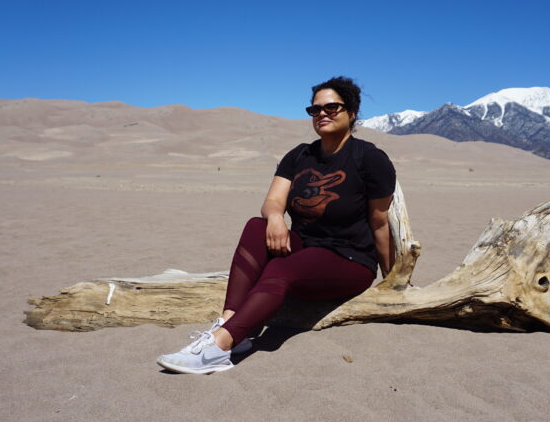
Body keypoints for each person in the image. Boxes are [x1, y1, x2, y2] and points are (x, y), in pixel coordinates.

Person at [157, 76, 396, 374]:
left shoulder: (370, 159)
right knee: (256, 227)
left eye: (332, 107)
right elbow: (273, 202)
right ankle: (228, 324)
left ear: (352, 112)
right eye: (315, 109)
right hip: (305, 250)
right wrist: (275, 218)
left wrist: (393, 279)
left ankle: (218, 347)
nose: (322, 114)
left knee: (279, 269)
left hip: (349, 260)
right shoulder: (300, 155)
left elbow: (379, 222)